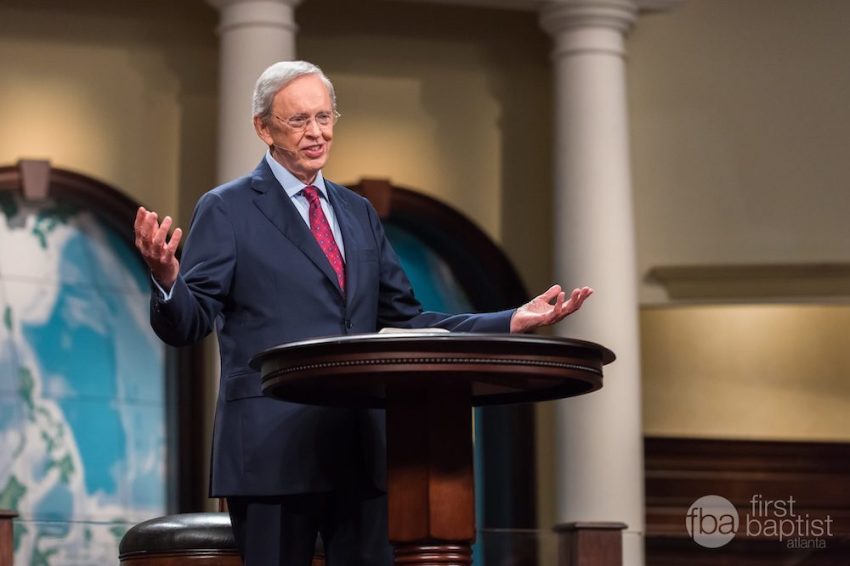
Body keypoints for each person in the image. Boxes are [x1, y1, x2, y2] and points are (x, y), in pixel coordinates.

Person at [134, 60, 593, 566]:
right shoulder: (228, 208)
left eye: (325, 117)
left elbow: (408, 319)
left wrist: (509, 321)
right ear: (263, 128)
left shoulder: (357, 213)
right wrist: (168, 279)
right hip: (273, 453)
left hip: (362, 453)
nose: (316, 133)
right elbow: (189, 323)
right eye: (299, 120)